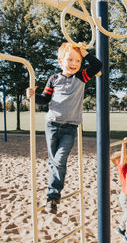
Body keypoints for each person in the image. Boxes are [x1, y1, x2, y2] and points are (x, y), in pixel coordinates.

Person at [27, 42, 102, 214]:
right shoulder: (54, 79)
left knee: (59, 160)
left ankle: (53, 196)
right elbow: (45, 99)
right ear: (60, 61)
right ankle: (52, 197)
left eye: (77, 60)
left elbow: (98, 65)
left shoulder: (81, 77)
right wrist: (33, 96)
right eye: (70, 60)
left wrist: (85, 53)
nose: (74, 63)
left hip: (70, 128)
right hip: (52, 126)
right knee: (54, 161)